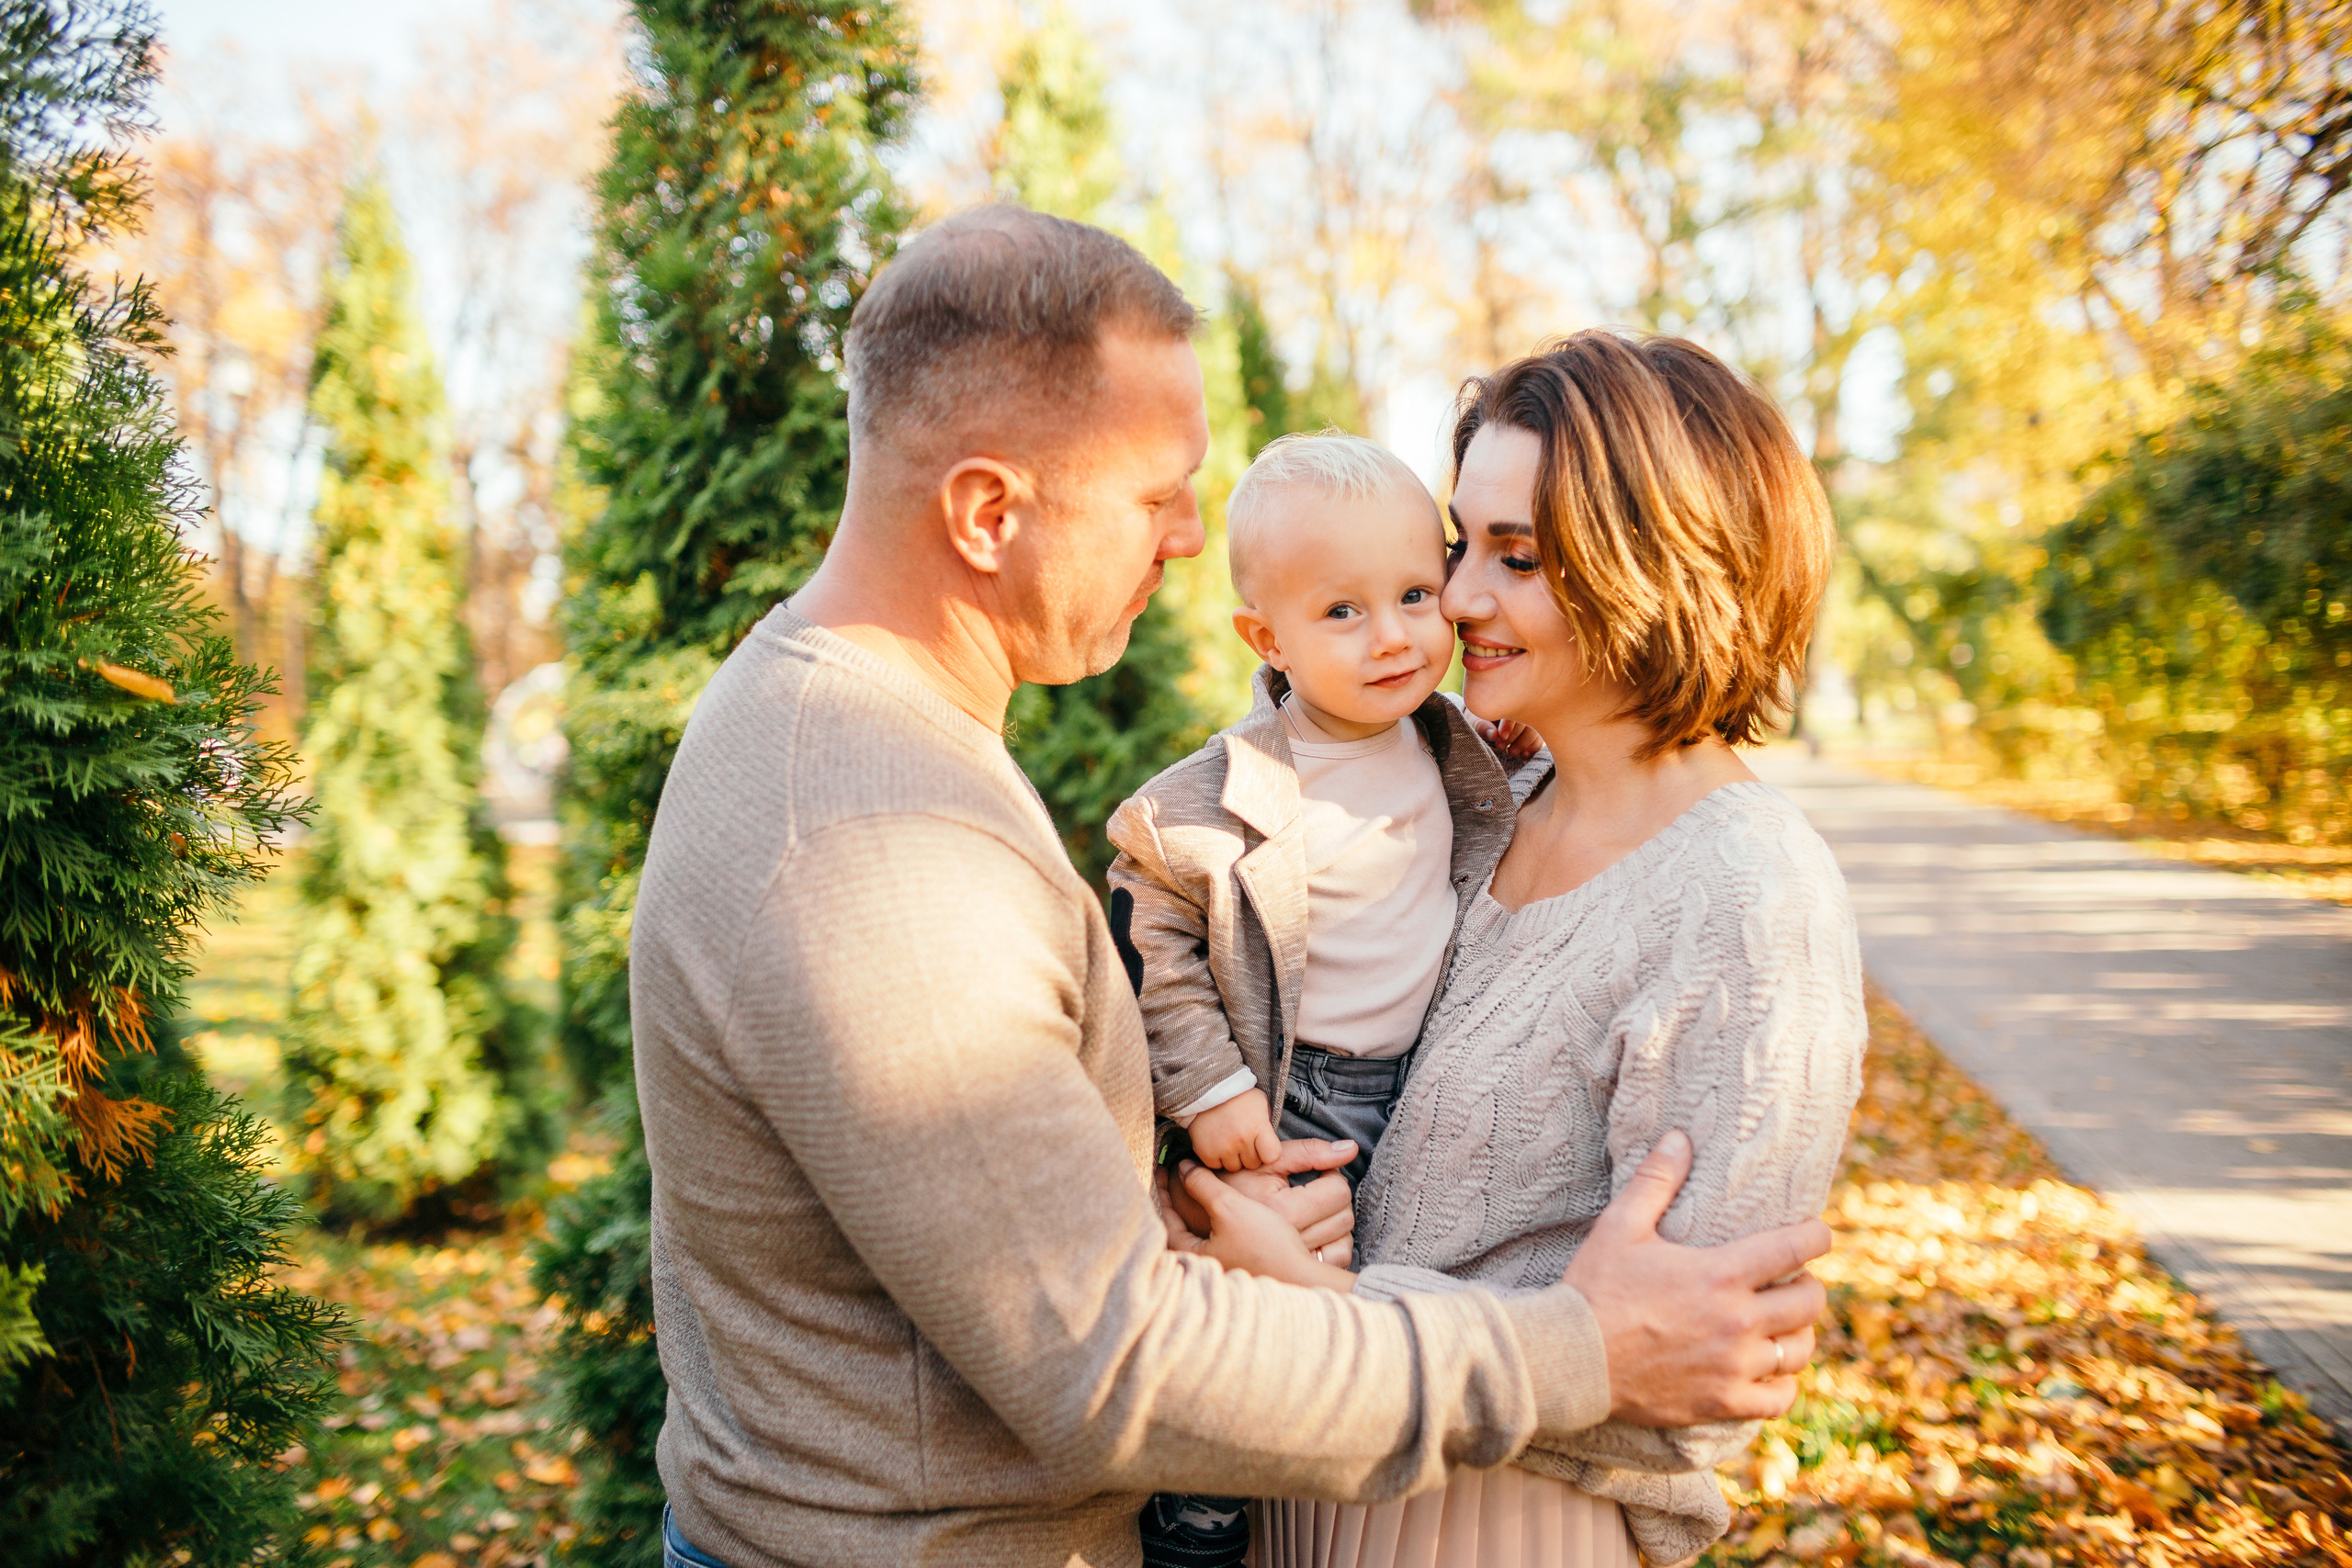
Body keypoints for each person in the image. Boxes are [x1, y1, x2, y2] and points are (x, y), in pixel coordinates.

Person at [628, 207, 1833, 1568]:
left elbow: (983, 1195)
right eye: (1154, 495)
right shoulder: (873, 845)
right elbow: (1106, 1359)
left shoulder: (863, 740)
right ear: (985, 510)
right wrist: (1572, 1345)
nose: (1194, 539)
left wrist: (1199, 1220)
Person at [1243, 332, 1869, 1568]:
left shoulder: (1746, 897)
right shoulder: (1486, 806)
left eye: (1517, 558)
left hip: (1492, 1527)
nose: (1460, 597)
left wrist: (1315, 1305)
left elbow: (1686, 1392)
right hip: (1302, 1472)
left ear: (1665, 563)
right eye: (1461, 546)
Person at [1106, 430, 1536, 1567]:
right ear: (1269, 639)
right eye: (1342, 613)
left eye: (1411, 593)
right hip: (1300, 1100)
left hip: (1427, 1085)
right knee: (1264, 1340)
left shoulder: (1453, 744)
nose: (1394, 635)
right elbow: (1153, 924)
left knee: (1373, 1332)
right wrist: (1206, 1081)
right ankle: (1193, 1525)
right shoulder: (1231, 789)